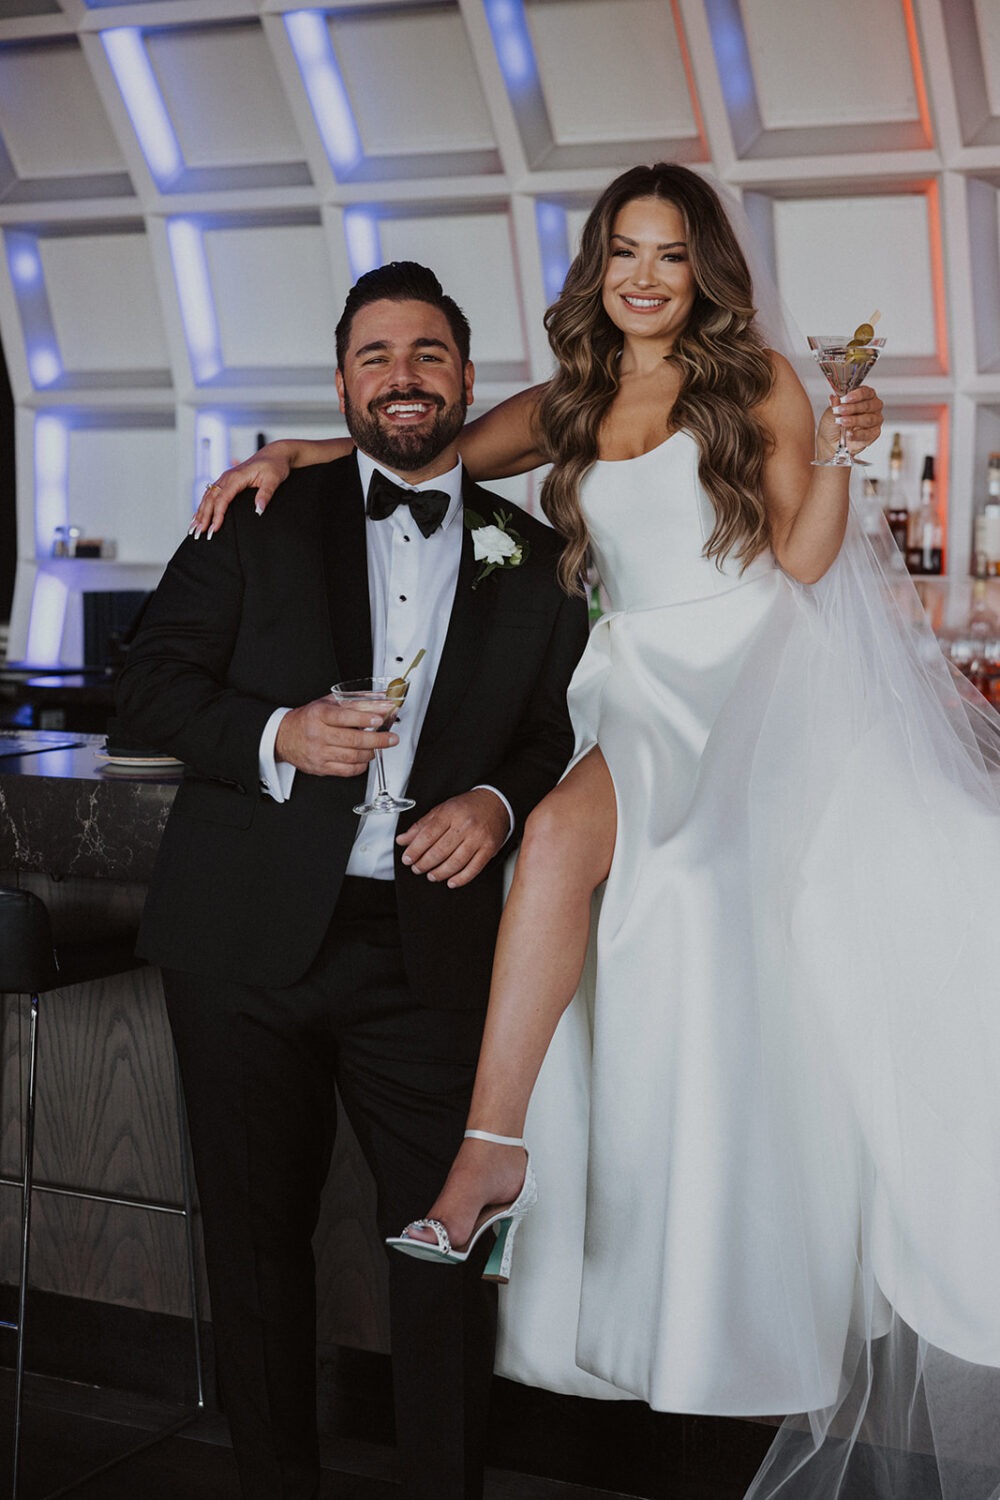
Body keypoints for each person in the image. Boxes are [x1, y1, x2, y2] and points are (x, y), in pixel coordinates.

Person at [192, 164, 1000, 1500]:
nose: (643, 276)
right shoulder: (571, 403)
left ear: (703, 271)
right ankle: (501, 1157)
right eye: (624, 252)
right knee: (563, 843)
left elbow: (799, 561)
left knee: (569, 845)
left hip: (744, 673)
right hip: (628, 681)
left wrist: (850, 449)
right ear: (598, 267)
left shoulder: (759, 385)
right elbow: (428, 449)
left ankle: (482, 1156)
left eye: (669, 256)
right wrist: (299, 451)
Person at [116, 260, 588, 1500]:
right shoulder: (256, 516)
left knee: (442, 1250)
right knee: (257, 1249)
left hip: (424, 953)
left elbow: (556, 732)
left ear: (467, 379)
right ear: (342, 384)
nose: (403, 377)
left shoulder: (537, 560)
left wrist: (495, 804)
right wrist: (278, 735)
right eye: (375, 356)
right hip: (240, 940)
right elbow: (150, 681)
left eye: (427, 353)